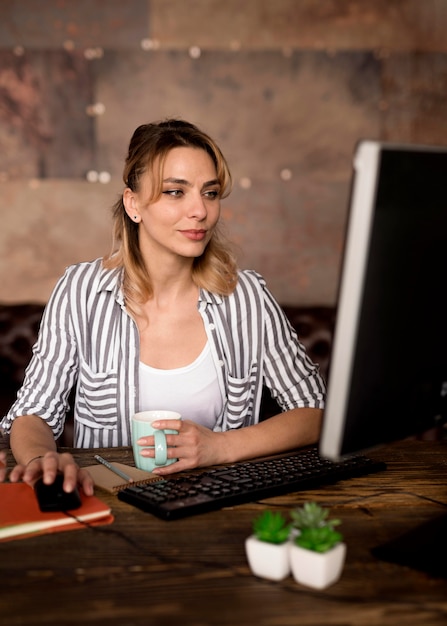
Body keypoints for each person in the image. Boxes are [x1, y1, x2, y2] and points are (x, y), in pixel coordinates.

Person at [0, 119, 325, 497]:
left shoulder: (247, 296)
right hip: (110, 511)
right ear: (133, 204)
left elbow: (315, 412)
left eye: (210, 193)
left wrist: (221, 447)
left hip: (223, 509)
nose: (199, 211)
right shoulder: (80, 291)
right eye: (175, 192)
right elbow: (34, 413)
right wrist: (42, 459)